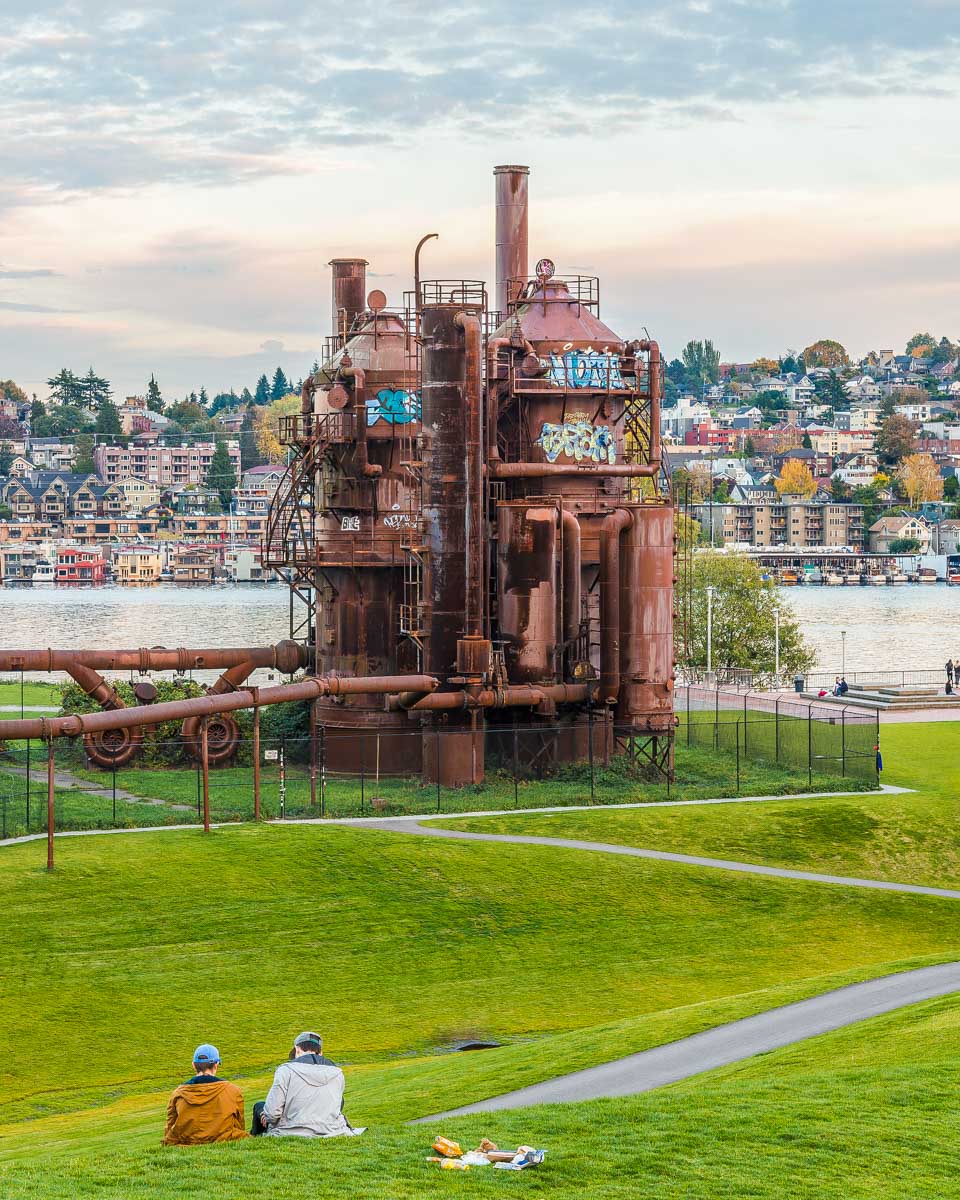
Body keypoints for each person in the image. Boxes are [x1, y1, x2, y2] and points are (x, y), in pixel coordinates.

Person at [251, 1031, 364, 1139]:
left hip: (289, 1130)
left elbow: (272, 1114)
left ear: (297, 1049)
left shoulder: (285, 1070)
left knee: (259, 1106)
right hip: (330, 1129)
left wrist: (265, 1115)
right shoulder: (337, 1073)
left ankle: (253, 1139)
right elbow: (338, 1106)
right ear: (320, 1052)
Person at [163, 1043, 248, 1146]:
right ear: (216, 1065)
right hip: (223, 1140)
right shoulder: (233, 1091)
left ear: (194, 1065)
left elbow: (170, 1126)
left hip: (187, 1144)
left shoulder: (177, 1093)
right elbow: (239, 1124)